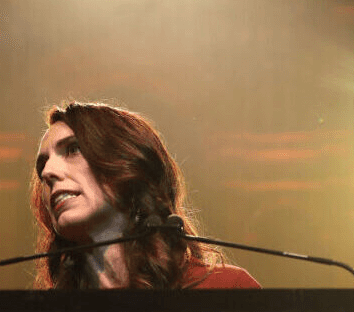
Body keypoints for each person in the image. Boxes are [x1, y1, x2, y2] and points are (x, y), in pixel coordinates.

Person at [31, 101, 260, 289]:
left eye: (73, 149)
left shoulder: (225, 290)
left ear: (126, 165)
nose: (48, 172)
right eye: (42, 166)